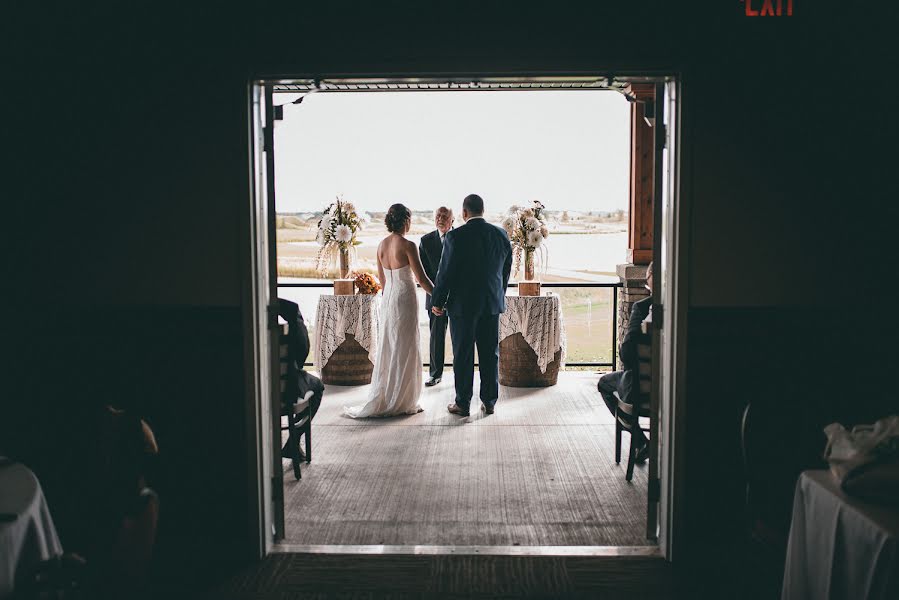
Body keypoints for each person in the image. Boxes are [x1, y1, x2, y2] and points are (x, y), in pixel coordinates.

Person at [344, 203, 435, 418]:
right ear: (406, 221)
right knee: (406, 345)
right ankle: (402, 399)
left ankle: (388, 394)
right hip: (405, 299)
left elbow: (383, 282)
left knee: (390, 345)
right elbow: (421, 279)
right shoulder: (408, 245)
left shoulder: (381, 246)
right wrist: (440, 298)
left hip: (389, 300)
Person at [431, 194, 512, 417]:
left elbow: (444, 273)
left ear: (464, 213)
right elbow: (505, 271)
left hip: (462, 307)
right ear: (482, 211)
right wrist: (498, 294)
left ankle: (463, 403)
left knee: (463, 355)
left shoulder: (455, 237)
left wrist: (438, 301)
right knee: (489, 354)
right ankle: (490, 401)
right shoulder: (501, 234)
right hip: (490, 303)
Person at [598, 261, 653, 463]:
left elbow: (627, 354)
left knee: (604, 384)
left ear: (649, 281)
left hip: (640, 389)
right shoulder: (678, 311)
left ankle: (640, 441)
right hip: (672, 389)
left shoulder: (642, 308)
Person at [418, 206, 454, 387]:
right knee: (436, 337)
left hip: (458, 298)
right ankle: (435, 374)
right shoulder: (425, 241)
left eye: (445, 216)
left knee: (461, 338)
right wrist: (437, 298)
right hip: (434, 298)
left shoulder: (461, 237)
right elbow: (423, 274)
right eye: (438, 215)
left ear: (452, 220)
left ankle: (461, 374)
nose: (440, 218)